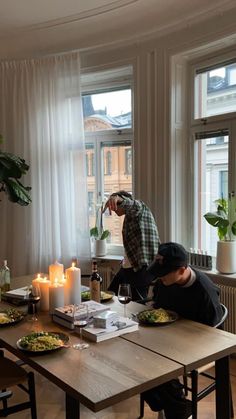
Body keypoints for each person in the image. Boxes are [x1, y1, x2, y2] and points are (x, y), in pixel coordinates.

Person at [142, 241, 223, 419]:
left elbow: (214, 335)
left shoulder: (204, 292)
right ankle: (170, 404)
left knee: (156, 363)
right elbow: (158, 307)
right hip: (168, 337)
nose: (159, 279)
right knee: (138, 356)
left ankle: (176, 408)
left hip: (197, 344)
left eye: (163, 274)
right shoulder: (166, 283)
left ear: (182, 269)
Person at [103, 191, 160, 300]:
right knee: (109, 296)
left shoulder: (139, 208)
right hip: (129, 267)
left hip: (142, 268)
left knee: (135, 303)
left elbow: (132, 204)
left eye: (114, 206)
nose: (114, 210)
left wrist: (117, 198)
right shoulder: (130, 218)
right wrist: (125, 259)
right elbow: (132, 246)